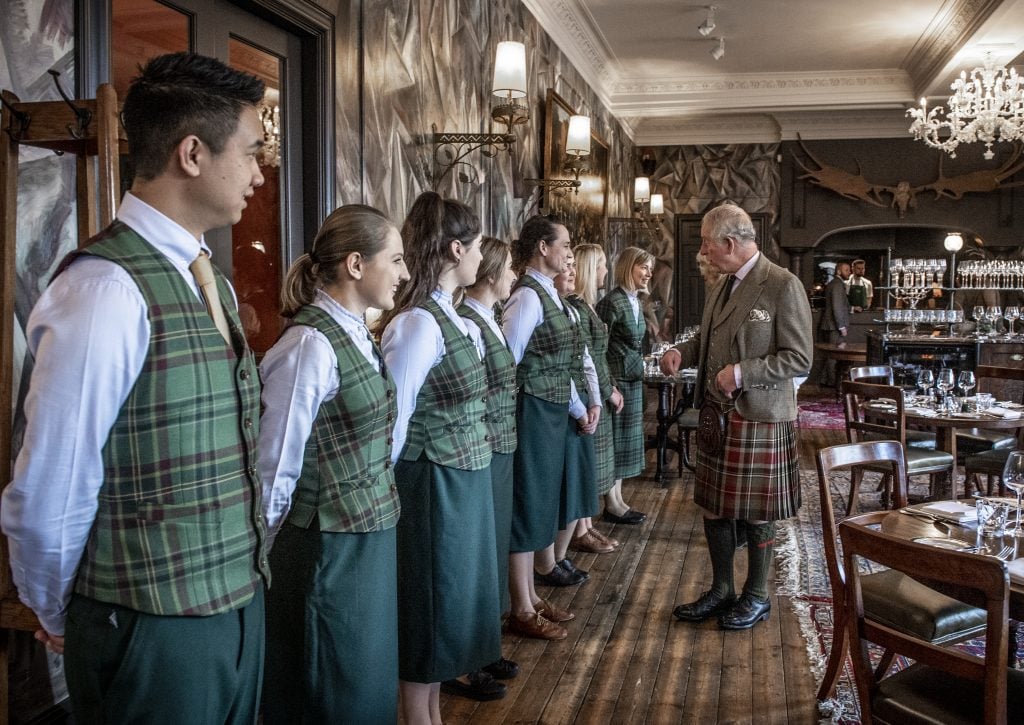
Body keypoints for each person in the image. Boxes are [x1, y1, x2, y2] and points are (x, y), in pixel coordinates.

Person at [1, 52, 269, 722]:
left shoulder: (214, 283)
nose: (260, 173)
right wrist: (62, 607)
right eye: (251, 152)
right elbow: (52, 485)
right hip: (150, 625)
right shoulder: (103, 289)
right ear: (192, 153)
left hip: (235, 605)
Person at [258, 205, 409, 723]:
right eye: (396, 259)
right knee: (331, 688)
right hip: (324, 549)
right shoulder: (309, 344)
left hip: (366, 539)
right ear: (356, 265)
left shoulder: (354, 331)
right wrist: (264, 561)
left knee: (363, 685)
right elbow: (275, 467)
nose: (406, 273)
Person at [661, 203, 812, 631]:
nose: (703, 251)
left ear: (730, 243)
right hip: (718, 416)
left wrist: (743, 373)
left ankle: (757, 595)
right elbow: (710, 339)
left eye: (707, 244)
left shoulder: (783, 285)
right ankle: (723, 589)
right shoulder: (723, 285)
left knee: (756, 512)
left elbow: (799, 357)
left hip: (759, 417)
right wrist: (682, 352)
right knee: (714, 508)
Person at [380, 192, 500, 725]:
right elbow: (395, 418)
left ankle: (430, 715)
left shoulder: (452, 319)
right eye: (476, 247)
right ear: (456, 250)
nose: (482, 258)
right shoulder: (417, 325)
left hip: (460, 477)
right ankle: (416, 717)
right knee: (429, 609)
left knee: (450, 608)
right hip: (429, 482)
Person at [502, 215, 594, 641]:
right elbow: (509, 362)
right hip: (531, 411)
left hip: (552, 409)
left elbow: (561, 367)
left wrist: (577, 408)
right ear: (543, 247)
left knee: (541, 502)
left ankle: (532, 596)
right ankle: (520, 605)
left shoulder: (551, 297)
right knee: (527, 503)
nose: (569, 251)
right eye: (565, 243)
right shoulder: (527, 298)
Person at [445, 237, 522, 701]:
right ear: (491, 274)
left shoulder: (488, 319)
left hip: (493, 442)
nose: (514, 274)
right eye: (509, 266)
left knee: (490, 551)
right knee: (474, 558)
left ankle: (483, 646)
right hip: (479, 444)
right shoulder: (467, 318)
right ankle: (466, 659)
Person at [532, 251, 602, 582]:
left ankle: (559, 557)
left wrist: (596, 402)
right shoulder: (534, 304)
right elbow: (548, 367)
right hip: (557, 405)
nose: (571, 270)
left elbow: (586, 360)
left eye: (575, 266)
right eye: (568, 264)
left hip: (579, 402)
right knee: (558, 486)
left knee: (578, 483)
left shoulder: (571, 310)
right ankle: (547, 561)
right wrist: (579, 407)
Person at [566, 244, 622, 554]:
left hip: (595, 390)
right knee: (586, 464)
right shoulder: (576, 306)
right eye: (600, 265)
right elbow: (586, 358)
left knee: (592, 463)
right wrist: (605, 391)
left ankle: (586, 526)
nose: (605, 272)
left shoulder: (588, 305)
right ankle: (580, 530)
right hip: (585, 392)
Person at [597, 246, 656, 525]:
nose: (648, 273)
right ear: (628, 267)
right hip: (618, 381)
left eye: (649, 268)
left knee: (625, 445)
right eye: (643, 267)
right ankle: (611, 504)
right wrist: (609, 385)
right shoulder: (612, 301)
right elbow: (600, 347)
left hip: (633, 379)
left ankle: (618, 499)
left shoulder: (635, 300)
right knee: (616, 443)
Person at [818, 261, 852, 387]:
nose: (849, 272)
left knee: (830, 355)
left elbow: (842, 304)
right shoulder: (837, 284)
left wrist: (853, 308)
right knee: (833, 355)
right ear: (838, 271)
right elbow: (837, 307)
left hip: (831, 325)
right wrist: (841, 326)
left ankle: (825, 380)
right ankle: (832, 383)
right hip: (834, 326)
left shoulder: (836, 283)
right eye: (847, 270)